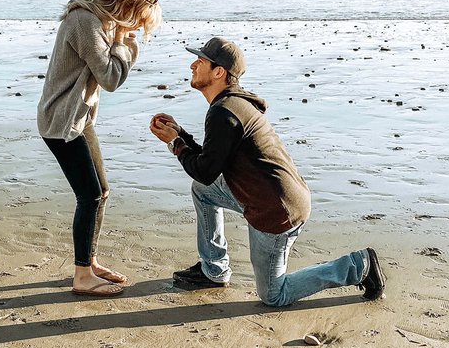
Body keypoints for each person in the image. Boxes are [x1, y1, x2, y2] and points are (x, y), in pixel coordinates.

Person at [149, 37, 384, 306]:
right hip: (277, 195)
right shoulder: (232, 104)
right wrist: (181, 135)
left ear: (218, 72)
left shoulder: (225, 112)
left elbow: (204, 170)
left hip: (276, 212)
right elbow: (211, 165)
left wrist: (175, 143)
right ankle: (213, 270)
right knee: (204, 191)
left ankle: (358, 266)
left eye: (200, 61)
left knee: (274, 295)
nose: (192, 65)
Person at [38, 0, 162, 296]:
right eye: (140, 10)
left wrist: (120, 37)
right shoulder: (85, 21)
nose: (140, 19)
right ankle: (82, 276)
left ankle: (88, 262)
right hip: (62, 122)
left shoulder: (100, 21)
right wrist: (126, 45)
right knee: (89, 195)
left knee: (101, 191)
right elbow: (109, 78)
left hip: (80, 119)